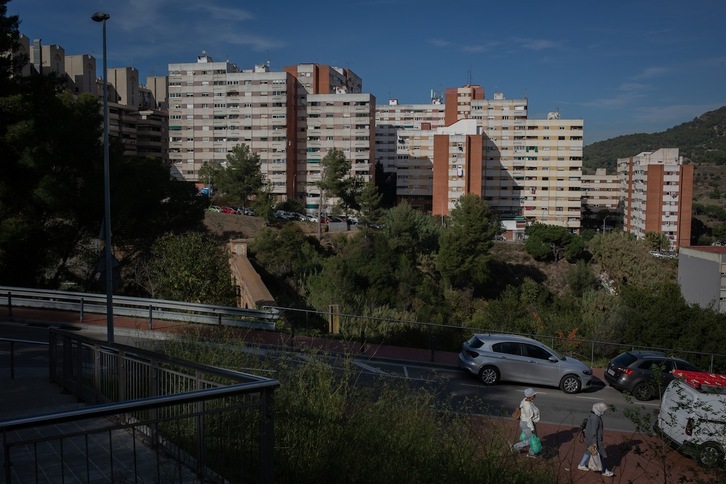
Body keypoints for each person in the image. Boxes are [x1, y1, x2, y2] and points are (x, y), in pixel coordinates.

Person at [578, 402, 614, 477]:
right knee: (602, 454)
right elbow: (594, 431)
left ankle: (581, 464)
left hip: (589, 439)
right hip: (595, 440)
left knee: (588, 450)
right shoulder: (596, 418)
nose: (604, 412)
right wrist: (595, 443)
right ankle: (604, 471)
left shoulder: (592, 415)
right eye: (603, 410)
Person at [511, 388, 541, 456]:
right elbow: (528, 419)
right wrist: (532, 429)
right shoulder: (528, 406)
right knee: (531, 440)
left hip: (526, 423)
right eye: (534, 395)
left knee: (533, 438)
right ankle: (515, 447)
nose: (535, 396)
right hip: (527, 424)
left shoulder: (525, 400)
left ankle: (532, 452)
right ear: (530, 396)